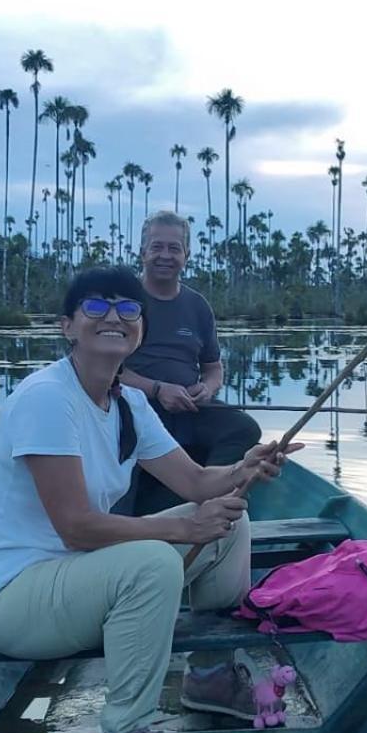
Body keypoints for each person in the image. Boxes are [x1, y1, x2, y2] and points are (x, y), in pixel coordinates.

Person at [0, 267, 299, 733]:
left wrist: (244, 468)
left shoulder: (128, 403)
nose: (114, 317)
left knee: (229, 525)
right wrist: (181, 529)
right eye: (96, 307)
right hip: (10, 598)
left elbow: (193, 481)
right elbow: (76, 527)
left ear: (140, 328)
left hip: (77, 583)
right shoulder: (47, 398)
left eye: (127, 308)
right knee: (153, 562)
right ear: (67, 326)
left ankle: (209, 677)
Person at [120, 210, 261, 511]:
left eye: (174, 248)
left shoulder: (197, 305)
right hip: (133, 408)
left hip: (190, 408)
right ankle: (155, 507)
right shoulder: (124, 302)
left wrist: (207, 389)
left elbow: (213, 367)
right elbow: (107, 372)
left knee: (244, 429)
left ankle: (208, 497)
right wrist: (157, 389)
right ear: (142, 252)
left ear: (186, 255)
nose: (165, 255)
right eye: (157, 247)